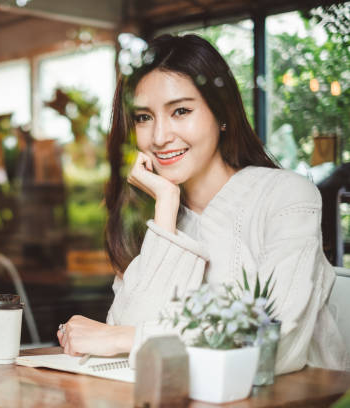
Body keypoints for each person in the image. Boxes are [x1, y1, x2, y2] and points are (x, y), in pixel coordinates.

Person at [56, 34, 349, 374]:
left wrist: (127, 339)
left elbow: (272, 342)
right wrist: (165, 208)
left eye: (181, 111)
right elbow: (127, 355)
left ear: (221, 114)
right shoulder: (147, 216)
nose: (160, 136)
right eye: (143, 118)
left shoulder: (287, 197)